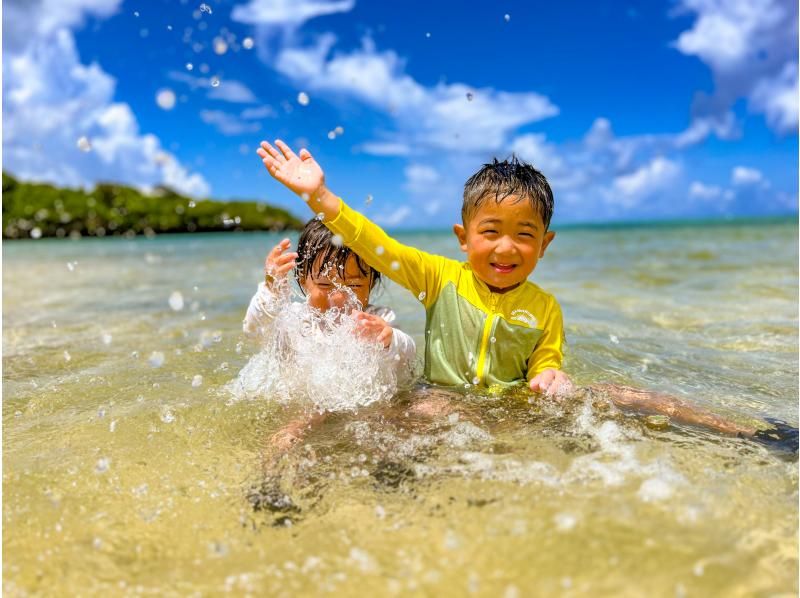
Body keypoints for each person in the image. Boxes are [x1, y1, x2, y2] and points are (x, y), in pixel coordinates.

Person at [255, 139, 797, 451]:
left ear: (546, 244)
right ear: (463, 237)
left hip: (513, 408)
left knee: (624, 394)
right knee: (347, 421)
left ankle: (750, 434)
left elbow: (548, 361)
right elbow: (375, 243)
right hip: (437, 401)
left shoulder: (544, 307)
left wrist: (551, 376)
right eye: (490, 231)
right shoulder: (437, 277)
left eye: (525, 234)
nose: (506, 246)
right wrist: (321, 197)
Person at [243, 217, 418, 450]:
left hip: (361, 408)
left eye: (354, 286)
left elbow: (406, 355)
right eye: (325, 286)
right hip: (306, 409)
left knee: (389, 419)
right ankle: (273, 476)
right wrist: (271, 290)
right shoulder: (294, 318)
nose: (339, 298)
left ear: (372, 283)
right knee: (292, 430)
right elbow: (254, 330)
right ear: (303, 278)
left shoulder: (376, 319)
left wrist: (390, 340)